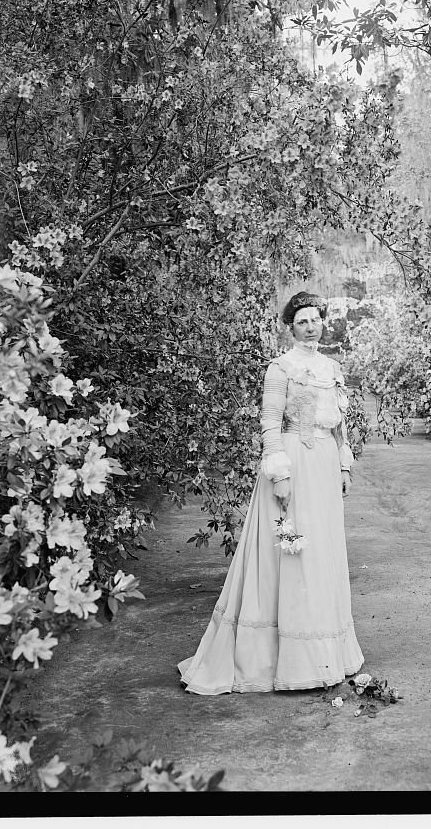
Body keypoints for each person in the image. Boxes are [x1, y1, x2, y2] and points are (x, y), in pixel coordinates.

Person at [178, 291, 365, 694]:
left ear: (323, 322)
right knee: (293, 551)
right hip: (294, 461)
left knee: (322, 554)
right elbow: (269, 422)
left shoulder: (332, 367)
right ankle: (287, 659)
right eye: (302, 321)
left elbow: (340, 426)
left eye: (315, 319)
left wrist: (344, 465)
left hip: (325, 466)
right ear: (291, 326)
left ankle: (328, 652)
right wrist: (279, 473)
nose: (310, 326)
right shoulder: (280, 368)